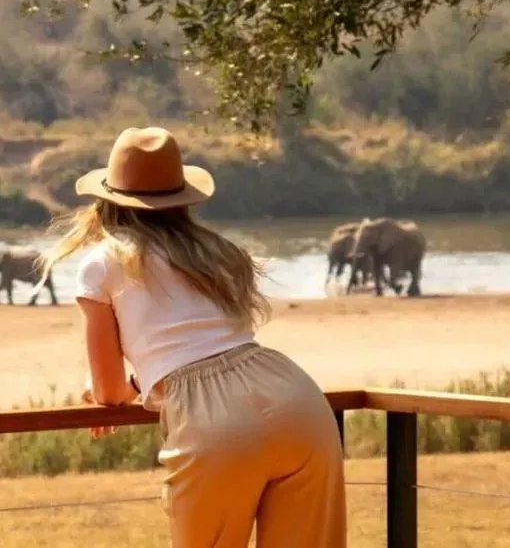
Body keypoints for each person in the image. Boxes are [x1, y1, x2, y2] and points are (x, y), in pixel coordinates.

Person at [36, 127, 347, 548]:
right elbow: (203, 344)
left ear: (107, 201)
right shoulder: (216, 252)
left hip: (214, 420)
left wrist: (105, 390)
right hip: (294, 396)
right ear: (181, 199)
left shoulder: (102, 264)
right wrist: (141, 381)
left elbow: (108, 393)